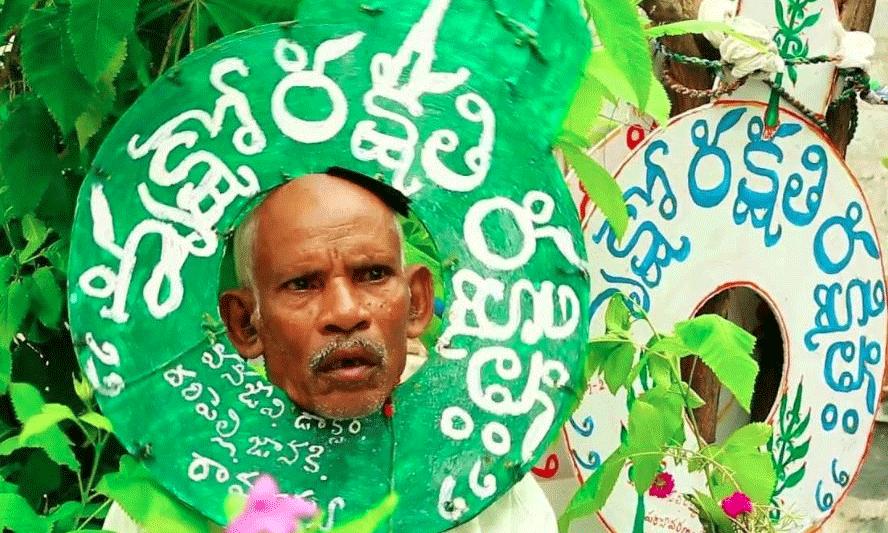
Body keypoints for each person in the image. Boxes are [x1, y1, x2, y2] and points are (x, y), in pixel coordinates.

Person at [103, 170, 558, 532]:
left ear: (417, 303)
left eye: (373, 275)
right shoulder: (169, 495)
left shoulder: (481, 480)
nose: (345, 312)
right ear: (245, 324)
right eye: (302, 284)